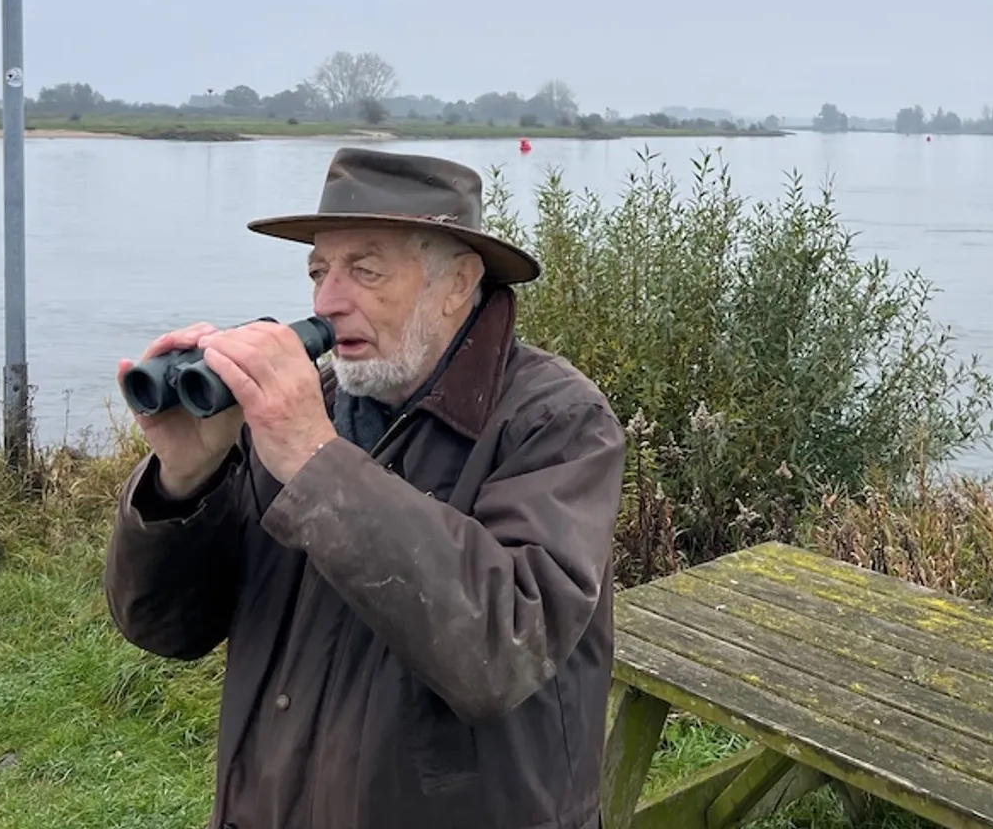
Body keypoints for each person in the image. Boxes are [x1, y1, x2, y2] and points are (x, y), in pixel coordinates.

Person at [103, 147, 626, 829]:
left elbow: (506, 647)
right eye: (319, 271)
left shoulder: (556, 421)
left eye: (365, 270)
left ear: (458, 282)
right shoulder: (310, 410)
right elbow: (166, 626)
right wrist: (185, 476)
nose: (327, 301)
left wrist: (315, 460)